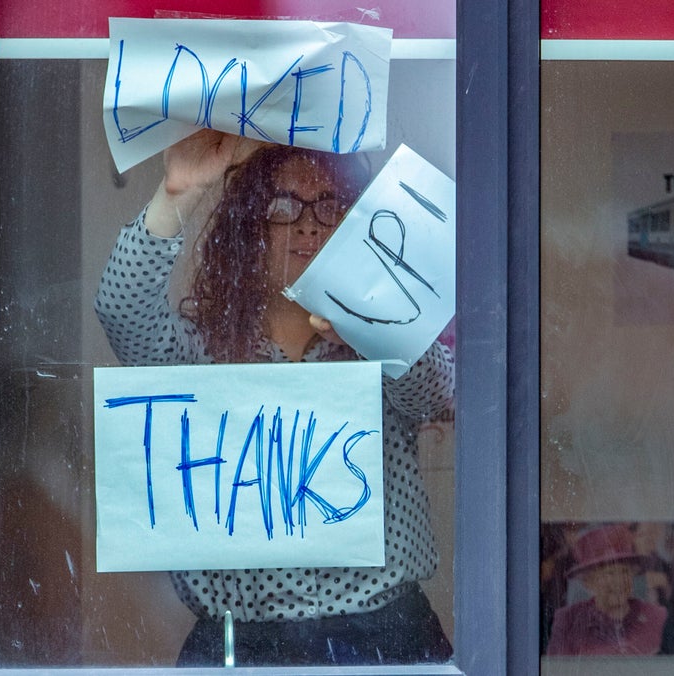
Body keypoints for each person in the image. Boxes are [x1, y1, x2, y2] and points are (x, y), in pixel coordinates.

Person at [95, 130, 455, 666]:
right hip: (243, 644)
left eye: (330, 206)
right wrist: (178, 194)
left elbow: (436, 393)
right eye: (283, 206)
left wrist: (372, 327)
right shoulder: (202, 351)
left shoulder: (379, 342)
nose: (309, 222)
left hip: (386, 634)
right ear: (249, 229)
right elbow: (121, 313)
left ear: (354, 227)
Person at [547, 524, 667, 656]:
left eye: (625, 571)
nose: (619, 581)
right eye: (609, 573)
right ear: (588, 583)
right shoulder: (568, 621)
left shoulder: (656, 617)